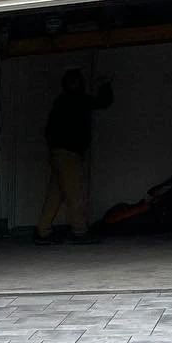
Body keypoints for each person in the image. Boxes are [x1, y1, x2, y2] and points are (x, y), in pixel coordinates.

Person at [35, 68, 114, 243]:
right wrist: (106, 84)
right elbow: (103, 102)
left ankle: (43, 231)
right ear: (76, 83)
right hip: (69, 154)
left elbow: (49, 130)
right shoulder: (78, 99)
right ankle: (80, 232)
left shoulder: (60, 101)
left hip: (57, 153)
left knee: (55, 194)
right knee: (76, 193)